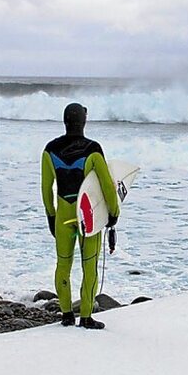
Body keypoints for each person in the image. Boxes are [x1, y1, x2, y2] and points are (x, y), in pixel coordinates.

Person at [40, 103, 119, 329]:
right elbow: (106, 186)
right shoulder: (93, 149)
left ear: (65, 121)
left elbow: (46, 189)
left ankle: (66, 314)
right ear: (84, 121)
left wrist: (51, 216)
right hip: (87, 216)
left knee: (63, 265)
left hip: (63, 214)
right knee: (89, 265)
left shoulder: (50, 150)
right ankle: (85, 317)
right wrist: (113, 212)